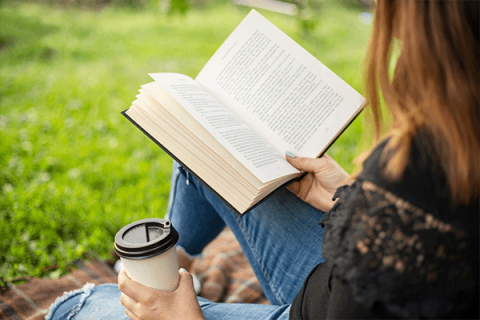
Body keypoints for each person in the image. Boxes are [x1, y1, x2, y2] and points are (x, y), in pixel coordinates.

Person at [46, 0, 479, 319]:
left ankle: (162, 286)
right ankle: (173, 264)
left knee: (77, 306)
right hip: (348, 278)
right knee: (206, 147)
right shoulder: (453, 143)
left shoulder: (423, 160)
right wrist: (350, 199)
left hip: (317, 307)